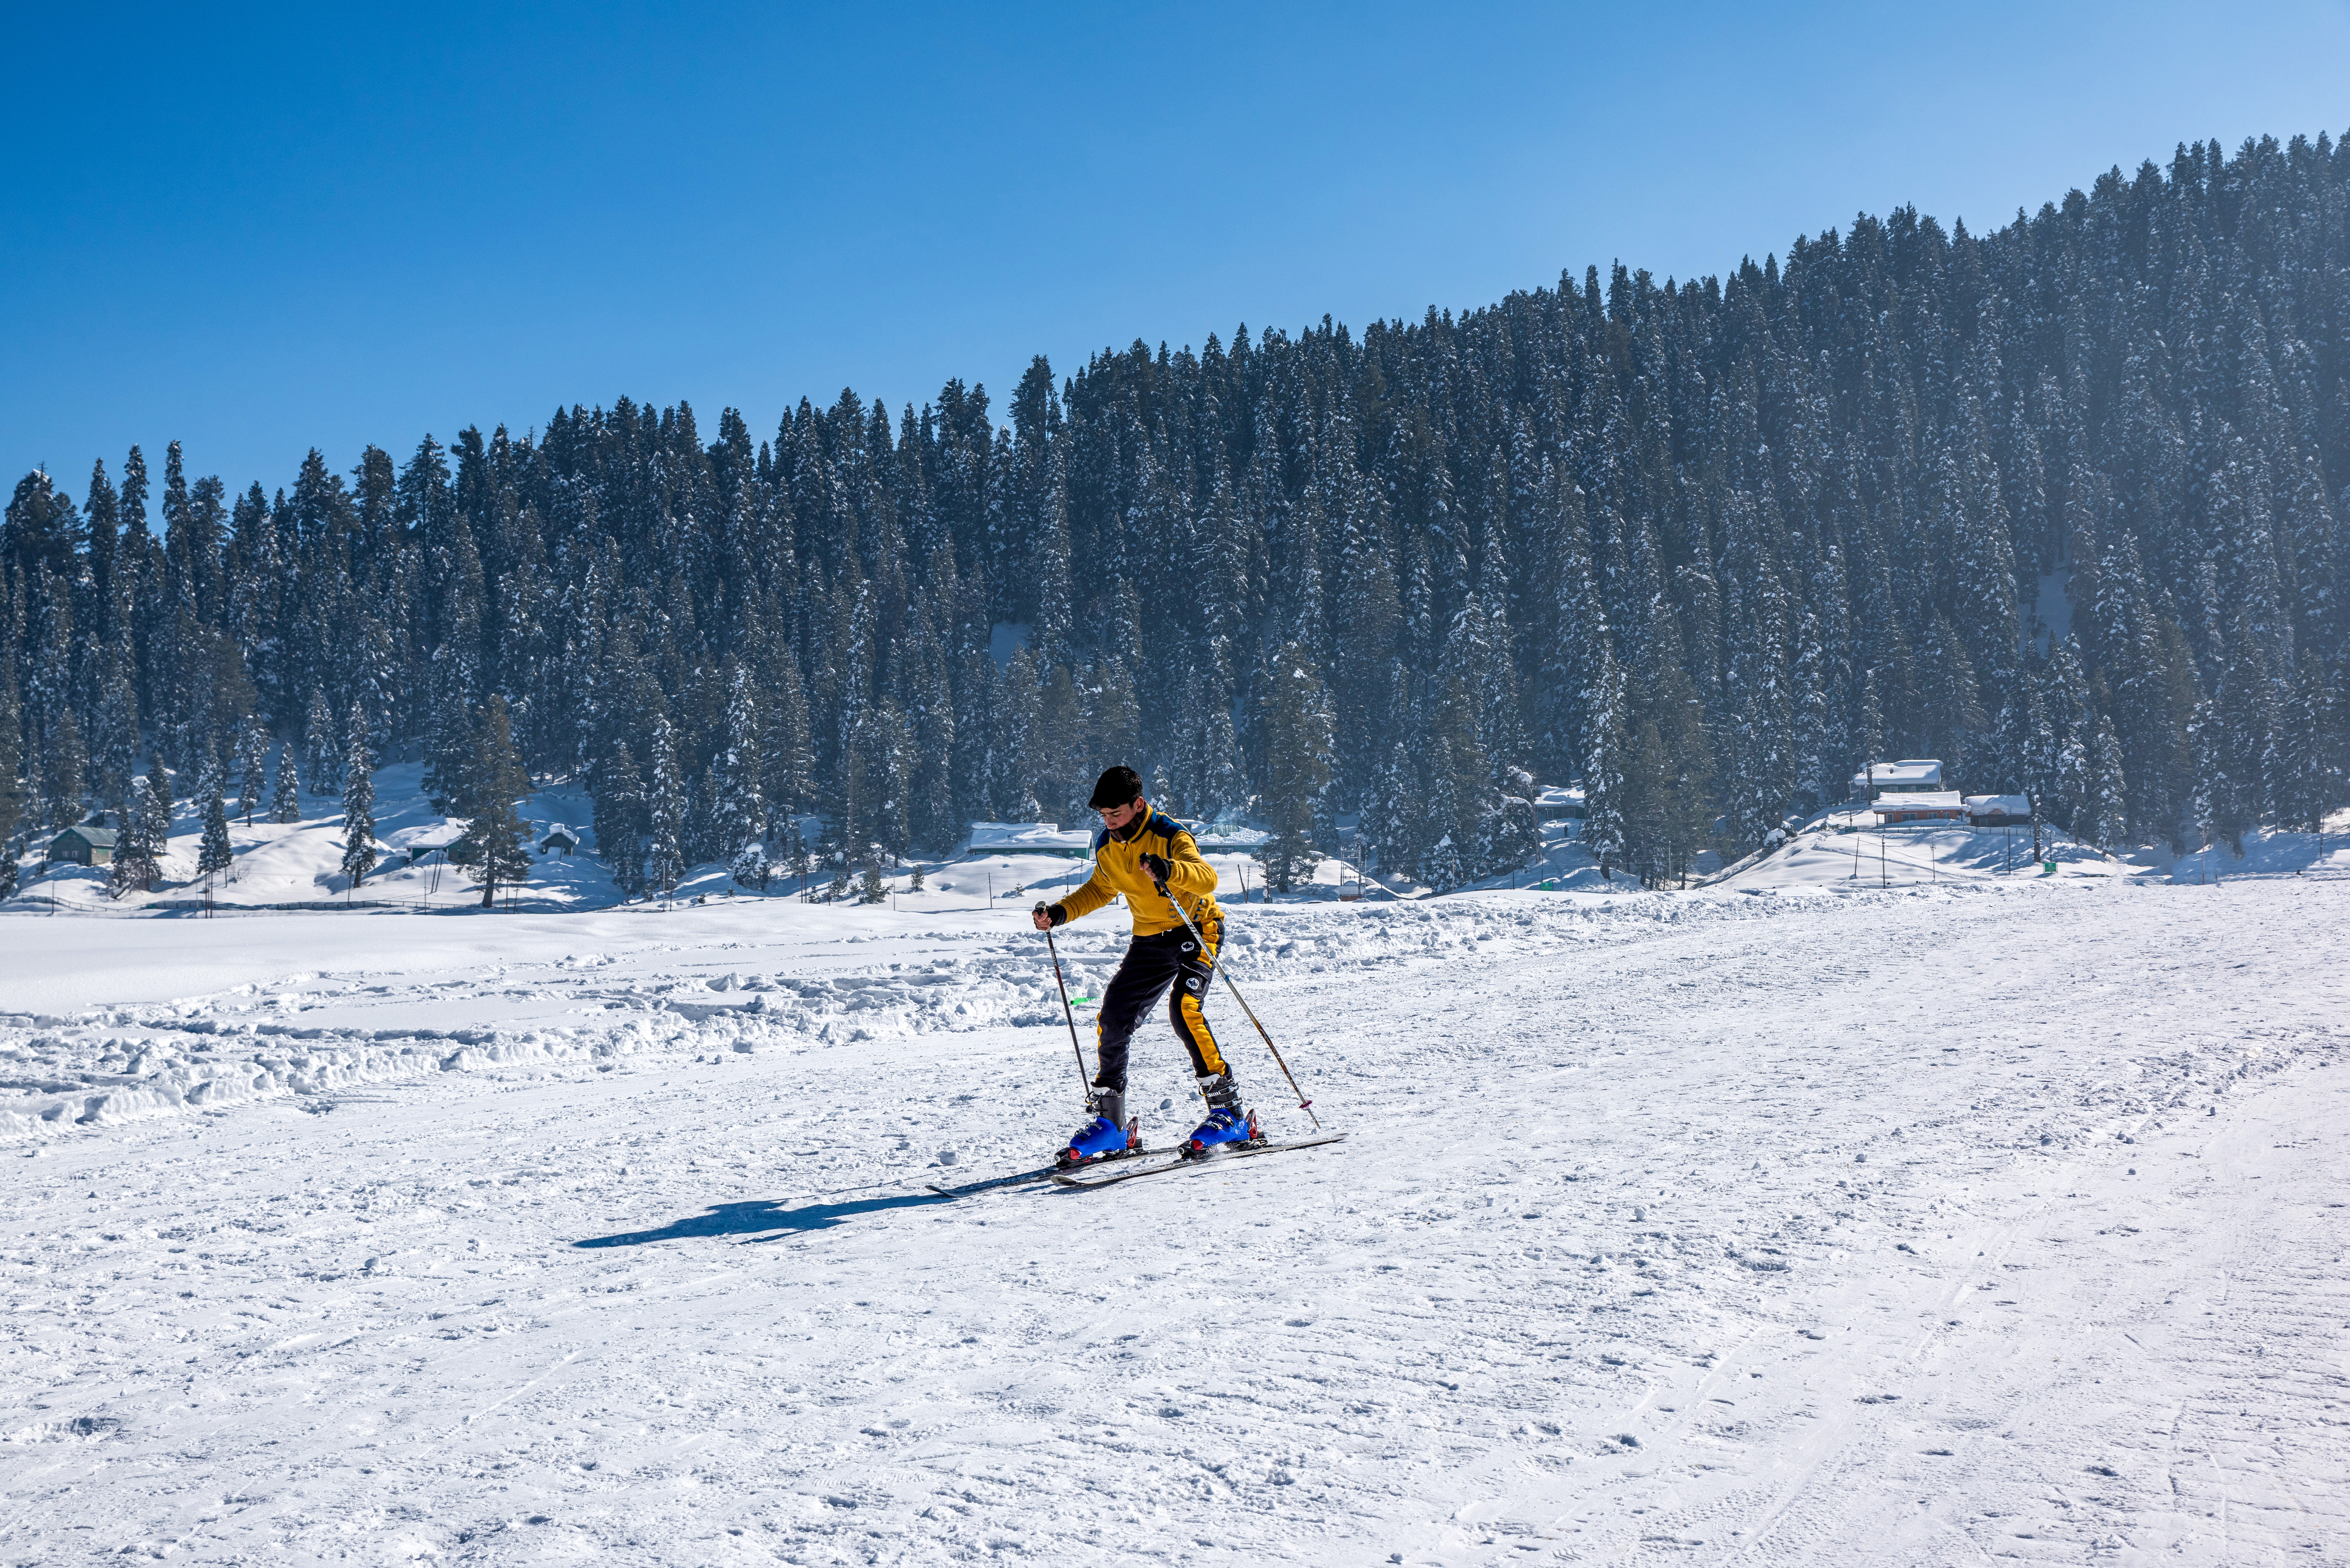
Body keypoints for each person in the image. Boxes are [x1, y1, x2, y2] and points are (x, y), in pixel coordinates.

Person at [1031, 764, 1251, 1162]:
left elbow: (1206, 878)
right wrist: (1061, 913)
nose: (1109, 822)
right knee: (1114, 1014)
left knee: (1183, 1011)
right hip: (1150, 939)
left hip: (1196, 929)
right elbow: (1101, 887)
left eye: (1115, 813)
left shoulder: (1170, 834)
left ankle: (1228, 1113)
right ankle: (1112, 1126)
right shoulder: (1107, 845)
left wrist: (1171, 870)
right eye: (1103, 815)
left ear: (1138, 804)